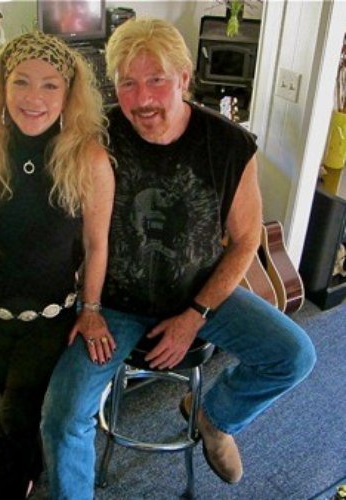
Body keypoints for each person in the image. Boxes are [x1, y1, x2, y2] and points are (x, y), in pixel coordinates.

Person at [39, 18, 317, 498]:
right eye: (127, 83)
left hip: (202, 292)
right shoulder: (100, 135)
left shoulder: (229, 146)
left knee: (294, 355)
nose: (142, 98)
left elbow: (246, 240)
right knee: (61, 417)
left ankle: (214, 417)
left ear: (185, 78)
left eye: (156, 80)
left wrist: (195, 315)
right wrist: (89, 306)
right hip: (115, 303)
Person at [0, 31, 115, 499]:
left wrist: (91, 309)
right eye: (21, 82)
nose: (34, 98)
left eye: (50, 85)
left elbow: (96, 245)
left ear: (68, 93)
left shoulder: (89, 157)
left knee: (13, 422)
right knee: (17, 412)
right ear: (2, 86)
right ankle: (33, 464)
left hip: (49, 320)